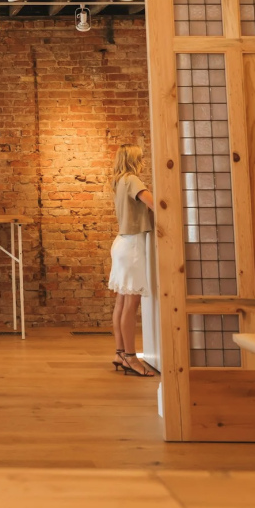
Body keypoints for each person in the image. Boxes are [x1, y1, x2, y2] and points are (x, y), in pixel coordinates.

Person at [108, 143, 155, 378]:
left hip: (121, 243)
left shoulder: (118, 181)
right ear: (134, 159)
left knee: (121, 302)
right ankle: (131, 358)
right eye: (141, 157)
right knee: (131, 305)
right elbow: (155, 204)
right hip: (134, 246)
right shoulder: (133, 180)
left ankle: (120, 353)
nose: (144, 160)